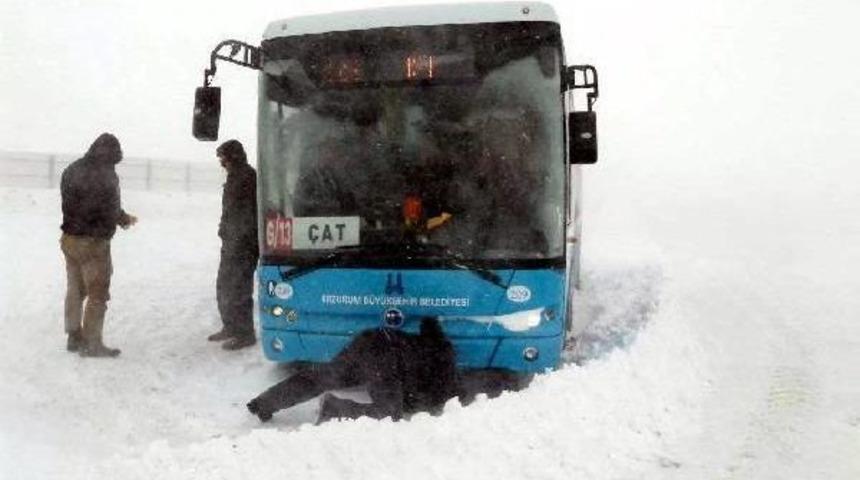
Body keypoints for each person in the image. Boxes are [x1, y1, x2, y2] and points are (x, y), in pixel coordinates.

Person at [60, 133, 137, 358]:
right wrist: (122, 219)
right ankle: (92, 344)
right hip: (93, 243)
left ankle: (73, 336)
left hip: (69, 239)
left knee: (75, 289)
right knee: (97, 293)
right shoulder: (106, 174)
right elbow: (107, 206)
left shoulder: (72, 169)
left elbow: (76, 203)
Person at [208, 140, 259, 350]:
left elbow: (248, 213)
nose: (221, 162)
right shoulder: (234, 176)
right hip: (231, 241)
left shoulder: (247, 177)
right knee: (224, 285)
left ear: (233, 157)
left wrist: (240, 237)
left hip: (244, 244)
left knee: (239, 288)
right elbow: (230, 211)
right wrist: (224, 230)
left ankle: (245, 334)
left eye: (223, 157)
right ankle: (230, 326)